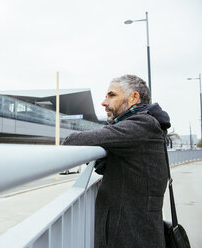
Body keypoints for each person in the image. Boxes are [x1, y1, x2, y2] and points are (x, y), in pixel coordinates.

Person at [62, 74, 171, 248]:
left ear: (134, 97)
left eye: (112, 95)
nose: (104, 102)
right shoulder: (144, 127)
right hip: (134, 233)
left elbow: (71, 141)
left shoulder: (141, 125)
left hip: (132, 238)